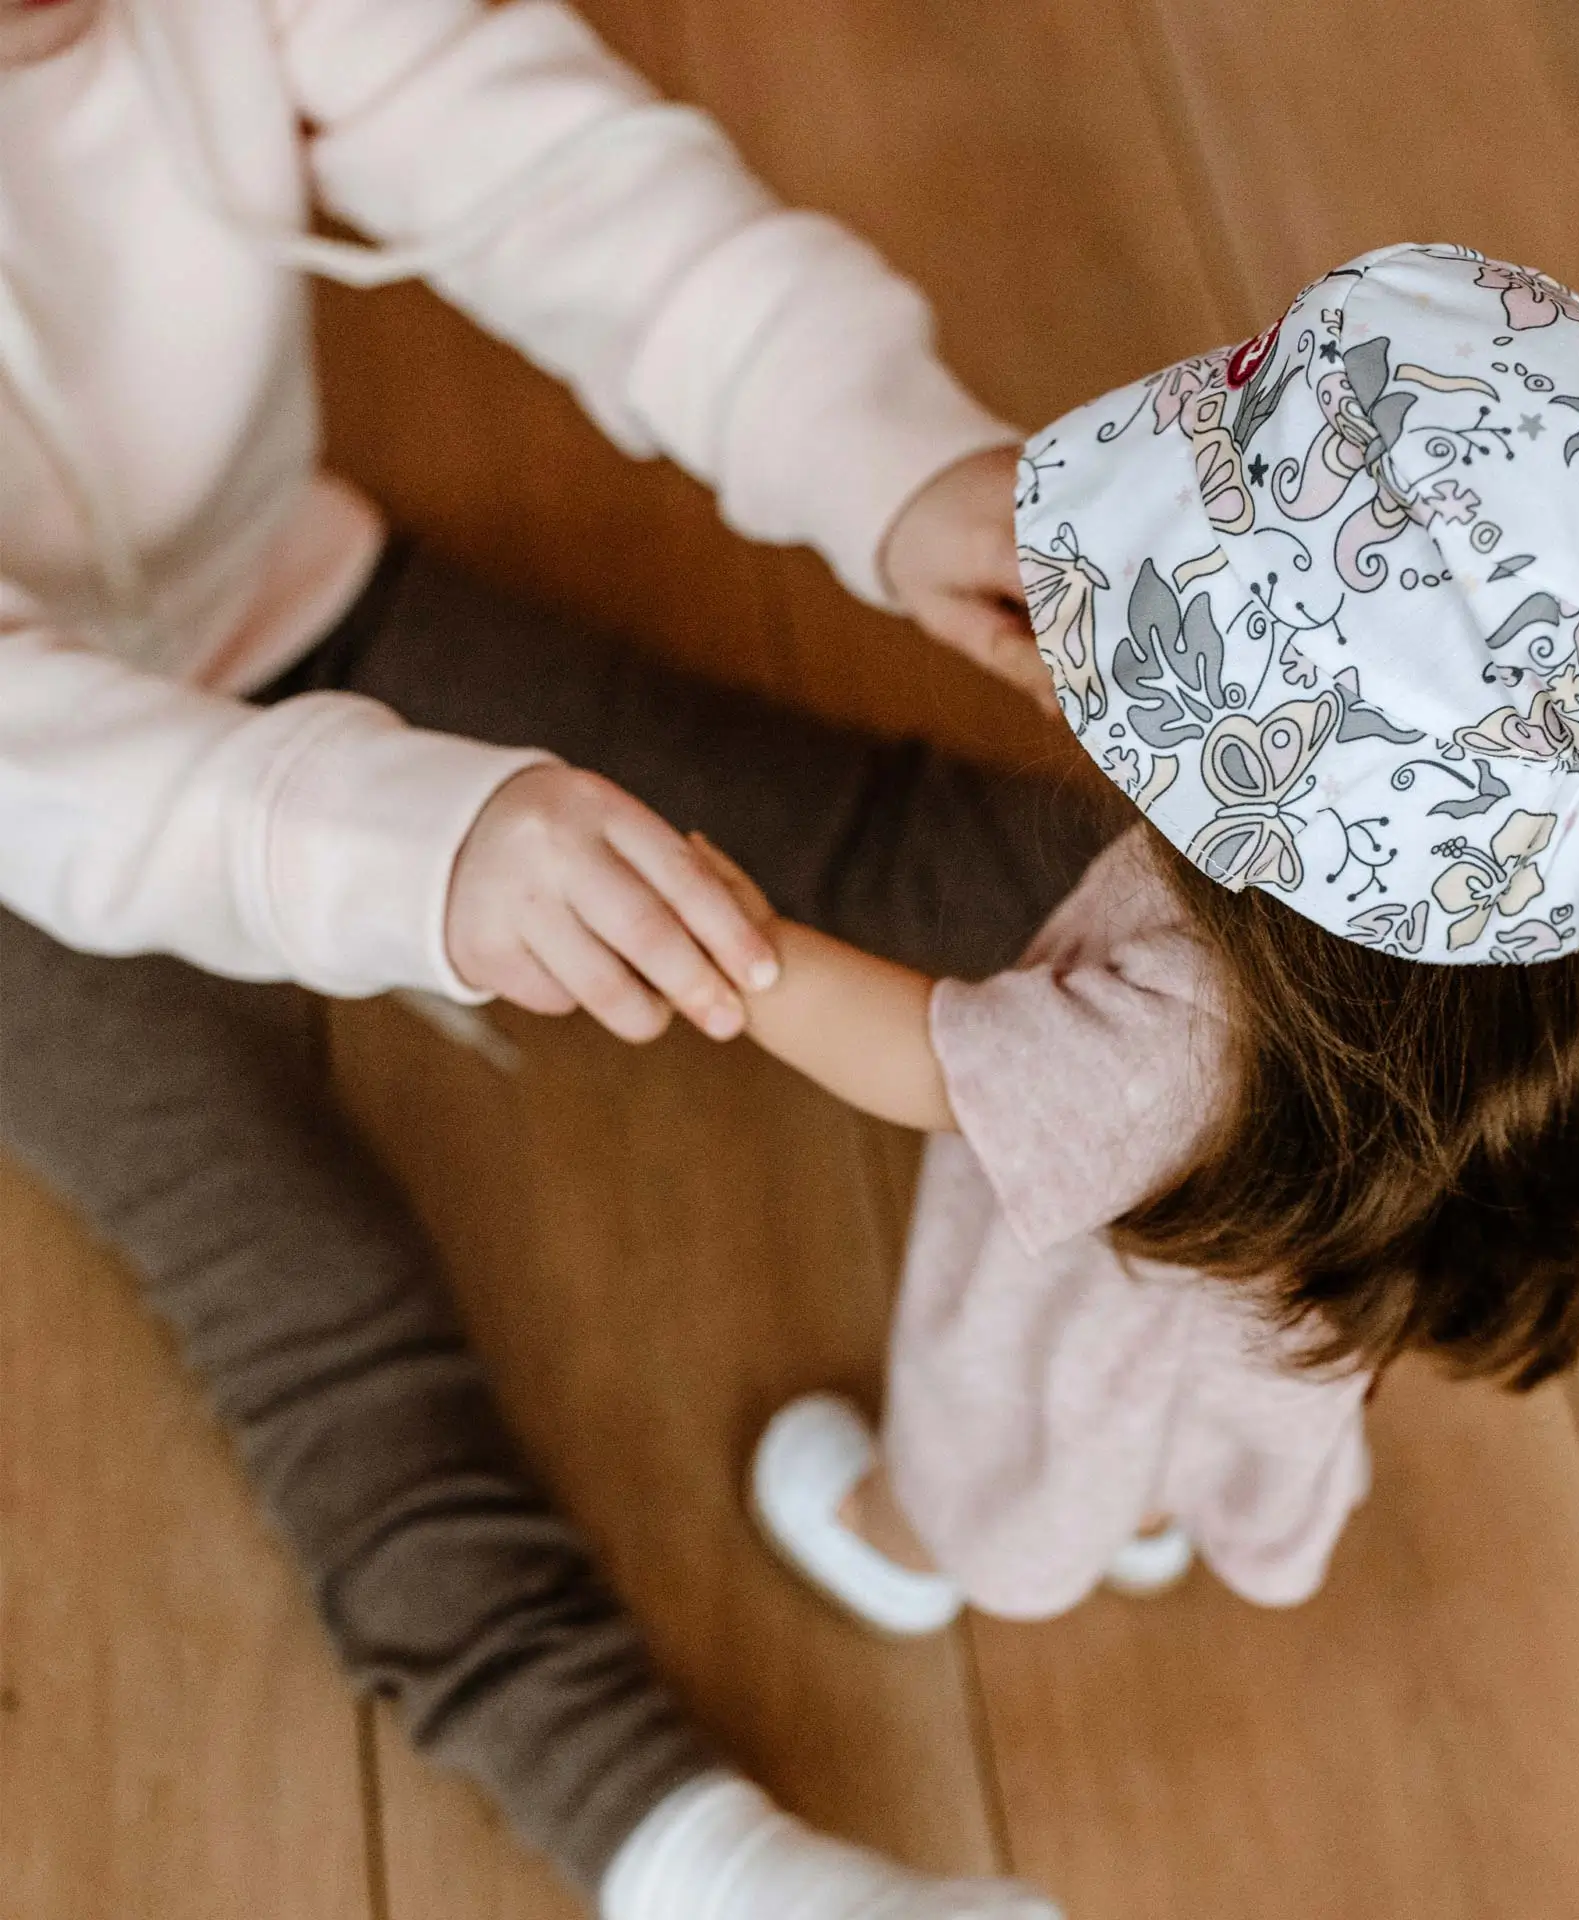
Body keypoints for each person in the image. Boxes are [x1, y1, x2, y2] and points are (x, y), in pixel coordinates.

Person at [0, 0, 1094, 1914]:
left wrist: (890, 466)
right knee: (303, 1287)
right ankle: (696, 1863)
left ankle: (1314, 1048)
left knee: (843, 832)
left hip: (280, 586)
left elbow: (545, 159)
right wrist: (417, 849)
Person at [736, 244, 1579, 1633]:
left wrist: (729, 944)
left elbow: (940, 1066)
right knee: (1181, 1417)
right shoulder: (1498, 919)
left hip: (1102, 1306)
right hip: (1256, 1328)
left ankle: (906, 1541)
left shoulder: (1187, 1032)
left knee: (1027, 1433)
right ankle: (1152, 1511)